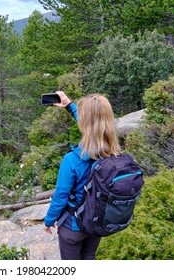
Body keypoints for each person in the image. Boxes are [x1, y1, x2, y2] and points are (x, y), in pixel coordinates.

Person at [44, 91, 121, 260]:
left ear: (84, 124)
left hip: (74, 227)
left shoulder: (72, 160)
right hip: (97, 222)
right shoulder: (112, 153)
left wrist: (49, 221)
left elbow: (60, 196)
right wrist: (70, 106)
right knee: (89, 257)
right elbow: (95, 126)